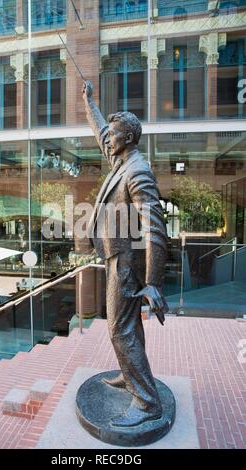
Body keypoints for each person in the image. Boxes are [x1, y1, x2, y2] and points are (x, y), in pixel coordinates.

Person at [82, 80, 169, 427]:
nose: (108, 139)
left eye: (114, 135)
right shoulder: (120, 158)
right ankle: (129, 374)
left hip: (126, 266)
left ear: (128, 139)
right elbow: (100, 129)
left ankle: (147, 403)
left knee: (120, 331)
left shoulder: (137, 172)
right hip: (115, 258)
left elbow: (156, 231)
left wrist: (153, 283)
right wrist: (89, 101)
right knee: (128, 326)